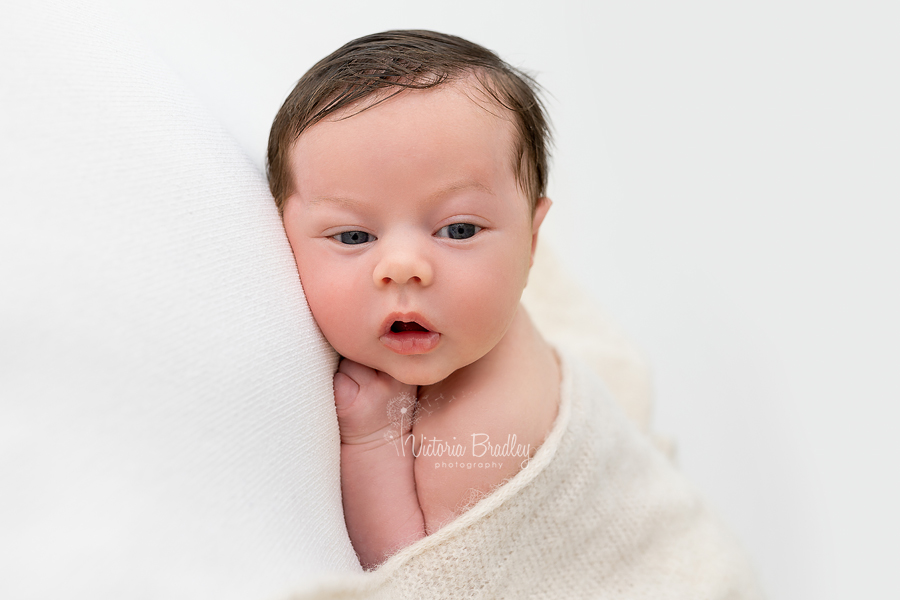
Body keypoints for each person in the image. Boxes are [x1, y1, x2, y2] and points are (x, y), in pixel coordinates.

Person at [268, 30, 764, 597]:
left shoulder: (484, 435)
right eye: (354, 234)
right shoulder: (476, 310)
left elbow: (421, 568)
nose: (404, 267)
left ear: (532, 240)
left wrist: (373, 437)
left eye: (458, 230)